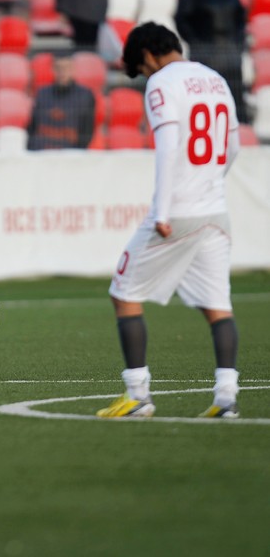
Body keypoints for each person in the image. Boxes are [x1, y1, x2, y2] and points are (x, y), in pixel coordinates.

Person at [97, 22, 241, 419]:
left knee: (124, 293)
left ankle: (137, 394)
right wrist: (210, 183)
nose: (144, 75)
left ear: (146, 56)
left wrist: (162, 210)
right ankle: (226, 398)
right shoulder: (215, 80)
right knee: (218, 307)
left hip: (177, 211)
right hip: (215, 209)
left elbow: (168, 148)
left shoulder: (162, 83)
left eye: (140, 68)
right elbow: (231, 146)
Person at [175, 0, 248, 122]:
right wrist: (197, 42)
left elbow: (240, 17)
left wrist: (237, 43)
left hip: (230, 54)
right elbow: (182, 20)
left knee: (234, 98)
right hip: (205, 55)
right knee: (209, 100)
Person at [27, 54, 95, 150]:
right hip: (42, 154)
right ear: (52, 70)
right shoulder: (42, 94)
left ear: (73, 70)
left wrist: (76, 154)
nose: (62, 72)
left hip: (70, 155)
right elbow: (32, 128)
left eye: (66, 68)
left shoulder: (85, 95)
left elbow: (87, 131)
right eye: (58, 68)